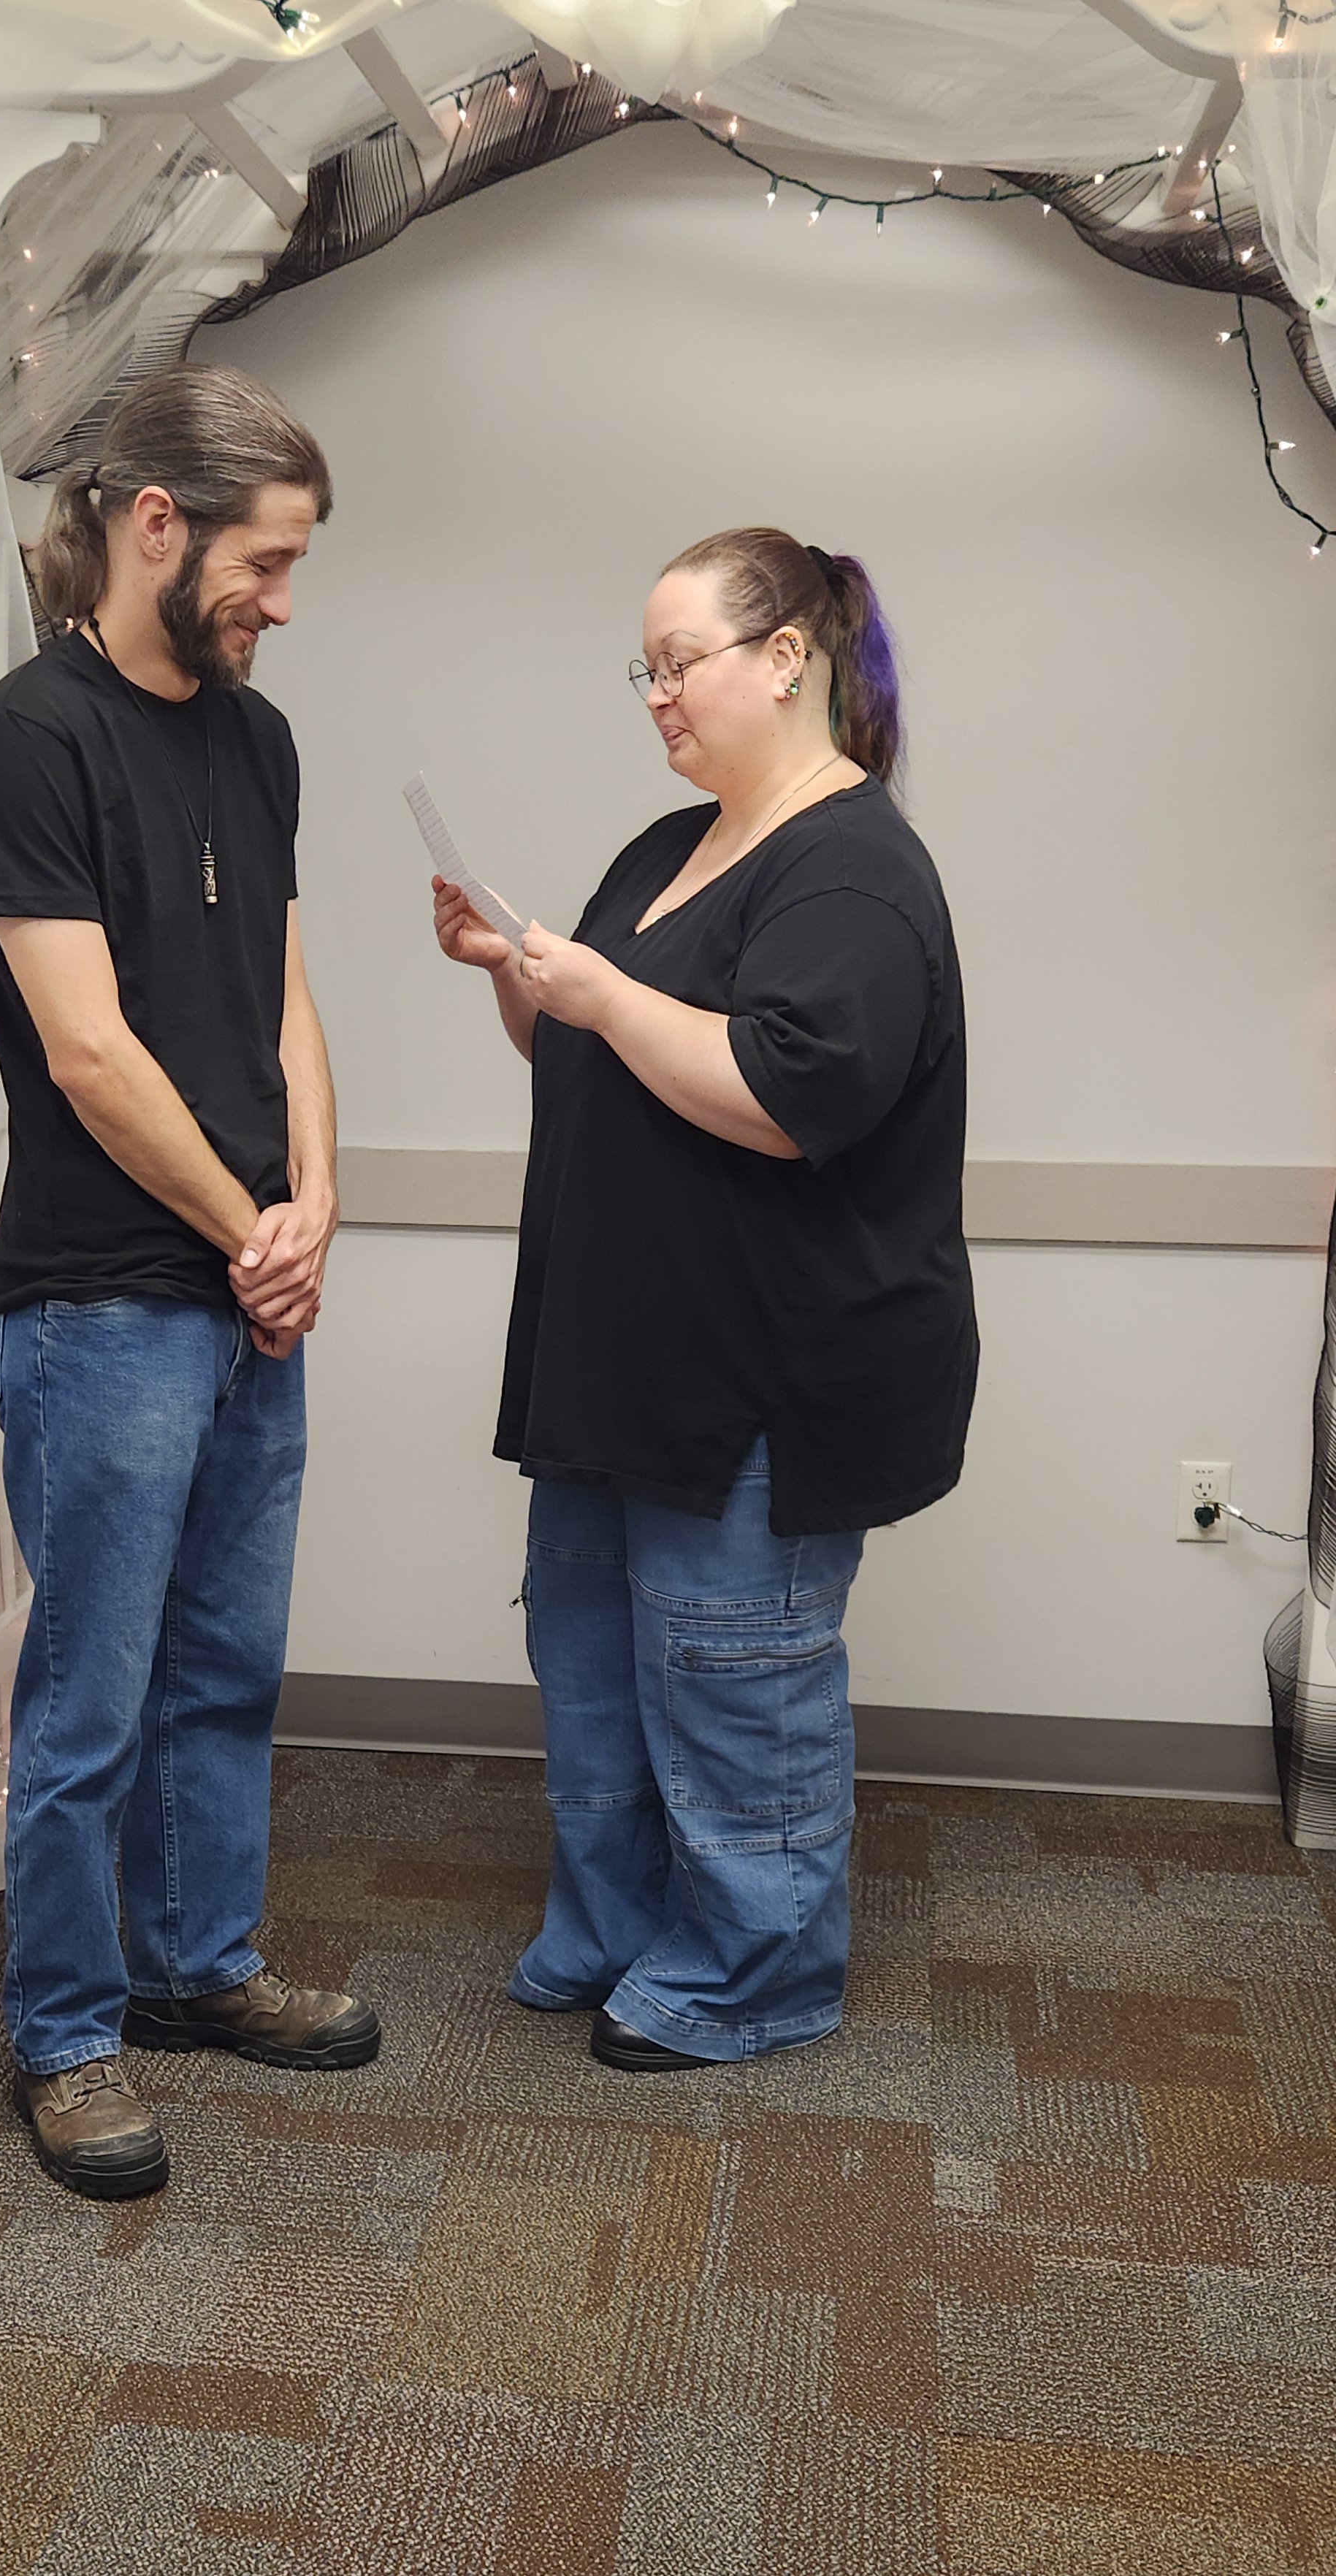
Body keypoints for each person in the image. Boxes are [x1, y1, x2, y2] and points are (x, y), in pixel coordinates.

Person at [433, 528, 977, 2072]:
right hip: (618, 1357)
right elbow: (588, 1051)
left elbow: (786, 1092)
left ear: (787, 660)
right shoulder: (668, 847)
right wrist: (514, 972)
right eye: (646, 668)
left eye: (682, 661)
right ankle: (615, 1921)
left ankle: (756, 1968)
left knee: (733, 1679)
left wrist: (598, 989)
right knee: (595, 1662)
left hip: (763, 1373)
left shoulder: (854, 870)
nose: (657, 695)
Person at [0, 363, 379, 2201]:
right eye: (262, 564)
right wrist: (244, 1223)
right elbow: (88, 1050)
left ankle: (200, 1968)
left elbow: (282, 997)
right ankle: (67, 2034)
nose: (278, 602)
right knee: (91, 1697)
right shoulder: (26, 736)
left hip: (242, 1288)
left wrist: (318, 1205)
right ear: (155, 522)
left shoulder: (258, 740)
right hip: (97, 1302)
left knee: (222, 1671)